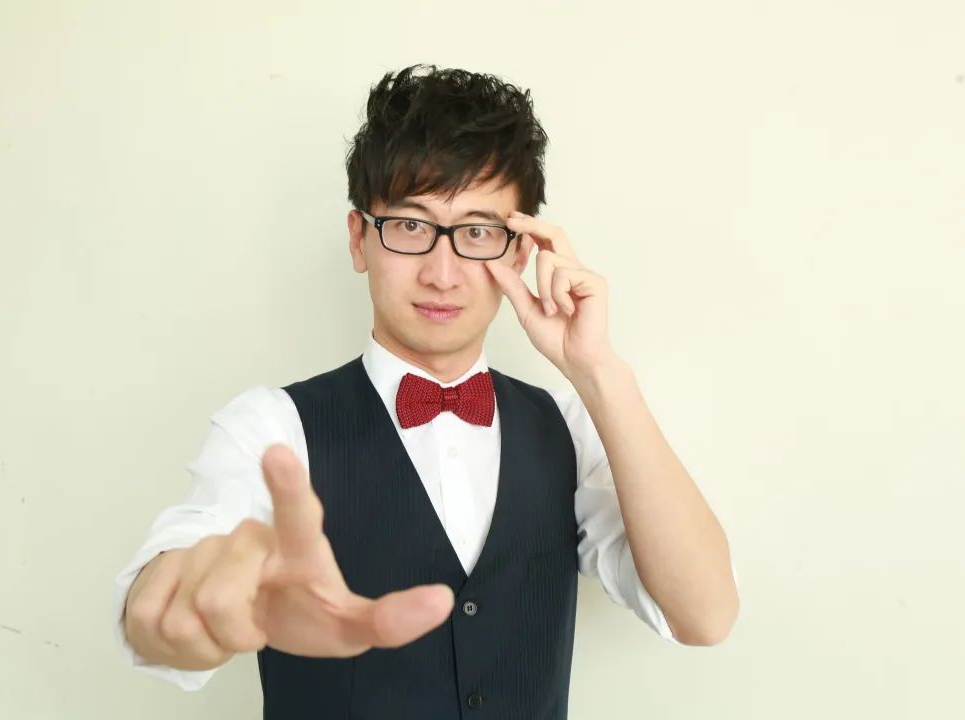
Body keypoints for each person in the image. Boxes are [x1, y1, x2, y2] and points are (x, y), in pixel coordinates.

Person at [112, 63, 740, 719]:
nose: (443, 274)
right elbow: (162, 602)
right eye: (411, 226)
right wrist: (184, 606)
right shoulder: (272, 428)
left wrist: (599, 371)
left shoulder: (568, 428)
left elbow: (705, 615)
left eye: (478, 232)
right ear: (360, 239)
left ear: (519, 252)